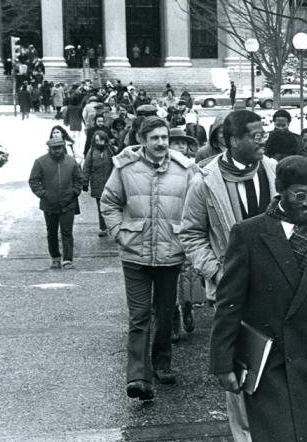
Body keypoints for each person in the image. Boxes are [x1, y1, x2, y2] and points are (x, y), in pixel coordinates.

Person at [209, 155, 307, 442]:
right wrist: (222, 362)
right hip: (265, 361)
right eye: (299, 195)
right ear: (281, 190)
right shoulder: (249, 233)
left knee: (296, 434)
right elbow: (229, 303)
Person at [180, 110, 276, 442]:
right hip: (232, 290)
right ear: (232, 141)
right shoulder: (204, 180)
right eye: (255, 135)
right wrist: (217, 272)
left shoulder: (275, 171)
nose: (263, 140)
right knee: (240, 368)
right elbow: (190, 234)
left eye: (263, 134)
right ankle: (246, 436)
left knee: (278, 365)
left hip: (277, 288)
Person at [100, 117, 196, 401]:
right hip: (135, 254)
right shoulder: (126, 167)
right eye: (154, 138)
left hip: (170, 254)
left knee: (165, 314)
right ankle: (138, 377)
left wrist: (186, 238)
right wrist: (119, 231)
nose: (161, 143)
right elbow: (109, 202)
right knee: (139, 317)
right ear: (142, 140)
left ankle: (162, 363)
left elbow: (197, 206)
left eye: (164, 137)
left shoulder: (184, 169)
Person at [167, 127, 203, 341]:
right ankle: (172, 318)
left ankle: (187, 307)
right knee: (169, 276)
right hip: (166, 227)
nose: (180, 146)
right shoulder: (160, 168)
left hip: (187, 225)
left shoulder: (192, 168)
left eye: (183, 143)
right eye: (176, 142)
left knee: (188, 274)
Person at [28, 137, 83, 269]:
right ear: (49, 149)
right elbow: (33, 180)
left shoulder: (71, 161)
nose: (57, 150)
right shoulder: (40, 162)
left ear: (63, 147)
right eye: (54, 148)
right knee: (51, 232)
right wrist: (43, 194)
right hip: (49, 204)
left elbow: (79, 178)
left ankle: (68, 259)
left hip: (68, 203)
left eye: (59, 147)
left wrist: (75, 191)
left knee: (67, 232)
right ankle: (55, 257)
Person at [83, 130, 116, 237]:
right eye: (97, 140)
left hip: (111, 183)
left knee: (112, 206)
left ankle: (113, 226)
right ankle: (103, 227)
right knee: (101, 207)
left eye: (101, 140)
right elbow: (87, 167)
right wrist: (85, 182)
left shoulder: (111, 150)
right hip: (97, 183)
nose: (99, 142)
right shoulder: (92, 151)